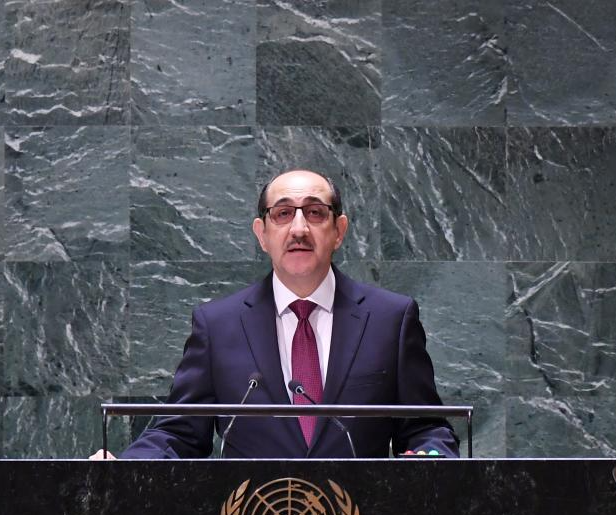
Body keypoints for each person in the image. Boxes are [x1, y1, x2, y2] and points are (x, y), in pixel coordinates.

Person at [94, 169, 458, 459]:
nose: (299, 228)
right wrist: (126, 467)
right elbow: (179, 433)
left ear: (339, 231)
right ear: (262, 234)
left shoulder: (390, 319)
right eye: (283, 214)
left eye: (315, 212)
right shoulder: (218, 326)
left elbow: (426, 428)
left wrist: (430, 461)